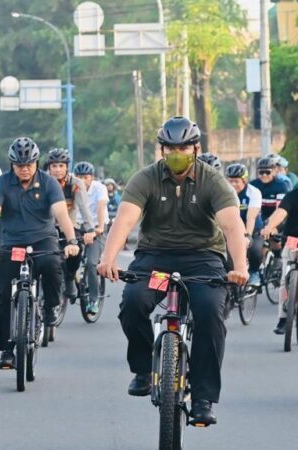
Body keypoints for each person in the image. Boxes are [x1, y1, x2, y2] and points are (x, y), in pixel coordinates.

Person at [97, 116, 248, 426]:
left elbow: (232, 226)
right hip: (156, 259)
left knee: (209, 312)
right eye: (170, 148)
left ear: (196, 148)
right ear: (162, 150)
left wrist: (241, 267)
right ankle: (142, 369)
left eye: (183, 147)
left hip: (203, 258)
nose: (177, 152)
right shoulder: (146, 178)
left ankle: (204, 398)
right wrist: (108, 258)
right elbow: (124, 221)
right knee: (133, 302)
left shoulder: (213, 180)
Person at [0, 137, 80, 369]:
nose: (24, 169)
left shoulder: (49, 183)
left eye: (29, 164)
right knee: (4, 296)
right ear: (12, 164)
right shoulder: (2, 183)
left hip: (43, 240)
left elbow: (61, 214)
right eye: (19, 165)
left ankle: (51, 305)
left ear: (36, 163)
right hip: (12, 243)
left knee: (53, 264)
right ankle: (7, 350)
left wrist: (71, 240)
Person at [45, 148, 95, 301]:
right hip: (46, 226)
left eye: (61, 166)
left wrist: (89, 229)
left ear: (67, 167)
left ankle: (69, 277)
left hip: (69, 226)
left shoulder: (76, 183)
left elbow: (84, 207)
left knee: (76, 251)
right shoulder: (42, 181)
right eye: (54, 166)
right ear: (49, 168)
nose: (57, 170)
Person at [260, 185, 298, 335]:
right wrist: (270, 227)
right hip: (292, 239)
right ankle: (283, 318)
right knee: (285, 278)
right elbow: (281, 213)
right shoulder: (293, 195)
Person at [73, 161, 108, 314]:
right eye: (80, 177)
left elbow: (101, 208)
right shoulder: (73, 186)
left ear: (92, 177)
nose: (83, 180)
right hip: (77, 226)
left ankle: (93, 300)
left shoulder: (100, 188)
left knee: (92, 264)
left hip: (96, 228)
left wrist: (98, 228)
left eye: (86, 177)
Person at [225, 163, 264, 287]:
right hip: (231, 227)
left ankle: (254, 272)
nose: (233, 184)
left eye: (236, 181)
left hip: (251, 227)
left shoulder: (254, 192)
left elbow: (250, 217)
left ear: (244, 180)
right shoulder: (225, 191)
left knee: (254, 249)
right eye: (230, 181)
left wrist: (247, 236)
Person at [251, 155, 291, 222]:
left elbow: (280, 210)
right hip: (257, 220)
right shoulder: (253, 185)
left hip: (276, 219)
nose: (264, 175)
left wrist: (268, 224)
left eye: (267, 172)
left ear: (273, 171)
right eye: (261, 172)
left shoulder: (281, 185)